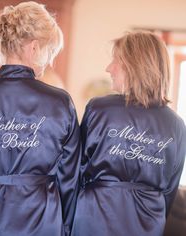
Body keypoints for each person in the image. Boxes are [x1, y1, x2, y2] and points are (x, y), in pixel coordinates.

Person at [0, 2, 80, 236]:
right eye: (49, 52)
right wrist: (64, 227)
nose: (49, 61)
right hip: (38, 221)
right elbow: (68, 180)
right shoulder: (60, 103)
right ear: (34, 48)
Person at [71, 31, 186, 236]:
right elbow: (169, 190)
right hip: (147, 223)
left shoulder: (100, 109)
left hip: (93, 216)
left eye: (115, 60)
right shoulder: (176, 125)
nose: (109, 68)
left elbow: (78, 168)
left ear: (133, 66)